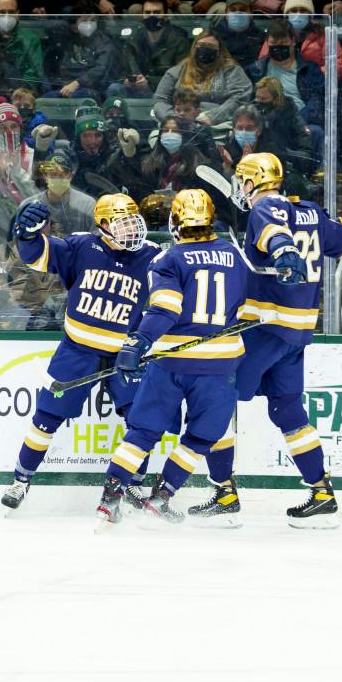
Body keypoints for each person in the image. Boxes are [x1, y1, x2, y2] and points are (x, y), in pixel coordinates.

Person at [191, 151, 342, 527]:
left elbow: (274, 233)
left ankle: (224, 493)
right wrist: (314, 219)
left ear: (250, 183)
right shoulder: (307, 208)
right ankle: (322, 492)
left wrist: (284, 249)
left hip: (261, 328)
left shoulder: (265, 209)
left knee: (217, 398)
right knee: (288, 412)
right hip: (297, 333)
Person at [0, 191, 163, 512]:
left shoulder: (151, 255)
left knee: (140, 421)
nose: (131, 230)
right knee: (46, 417)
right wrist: (27, 233)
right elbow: (35, 255)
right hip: (78, 351)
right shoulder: (80, 246)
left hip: (125, 355)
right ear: (103, 224)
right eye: (122, 223)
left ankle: (135, 485)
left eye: (133, 222)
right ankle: (21, 479)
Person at [94, 189, 249, 526]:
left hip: (171, 362)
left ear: (176, 221)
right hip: (220, 365)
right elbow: (246, 309)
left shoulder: (168, 258)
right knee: (200, 437)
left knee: (143, 431)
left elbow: (165, 308)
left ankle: (110, 497)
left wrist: (138, 342)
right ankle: (161, 496)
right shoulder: (235, 256)